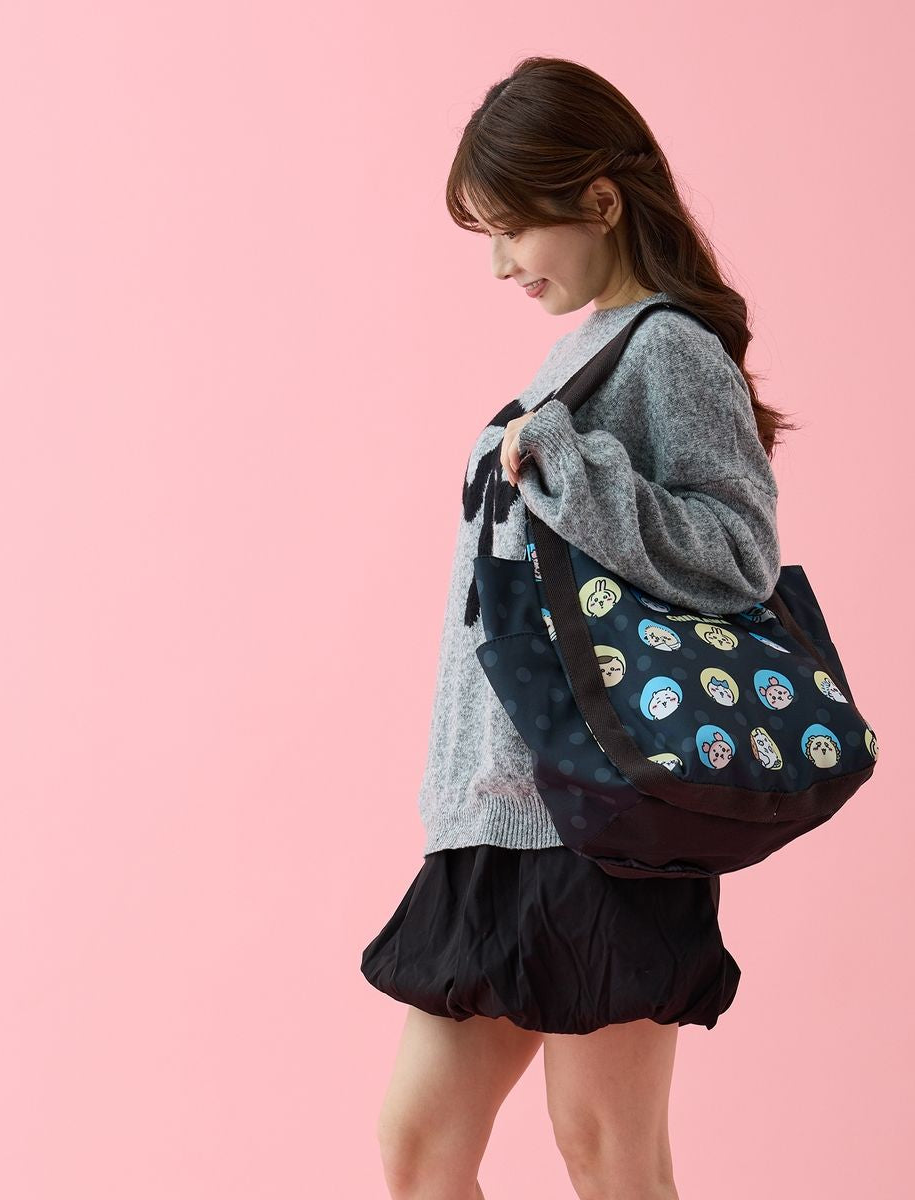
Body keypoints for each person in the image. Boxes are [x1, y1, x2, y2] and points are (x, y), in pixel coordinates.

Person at [360, 55, 800, 1200]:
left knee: (606, 1153)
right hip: (497, 820)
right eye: (489, 237)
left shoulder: (669, 348)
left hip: (601, 819)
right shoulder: (585, 346)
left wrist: (570, 460)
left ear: (600, 200)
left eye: (515, 230)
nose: (502, 264)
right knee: (420, 1147)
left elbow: (739, 554)